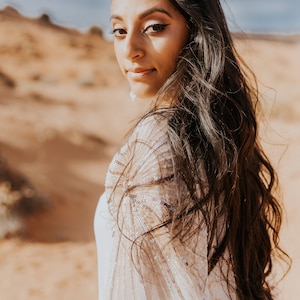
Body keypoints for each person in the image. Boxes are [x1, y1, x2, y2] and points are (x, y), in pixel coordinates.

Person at [94, 0, 289, 299]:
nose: (130, 48)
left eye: (154, 27)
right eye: (118, 30)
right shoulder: (220, 133)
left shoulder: (152, 146)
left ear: (197, 31)